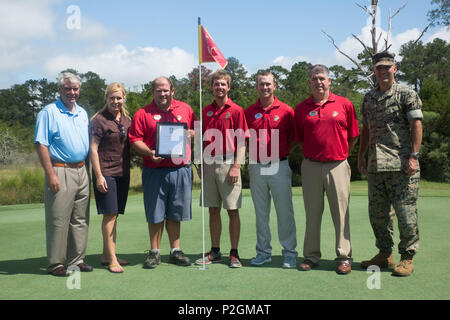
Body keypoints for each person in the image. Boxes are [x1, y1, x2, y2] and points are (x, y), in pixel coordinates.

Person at [358, 52, 423, 277]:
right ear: (374, 71)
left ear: (394, 69)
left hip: (402, 164)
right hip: (376, 165)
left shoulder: (407, 94)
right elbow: (365, 129)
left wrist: (414, 156)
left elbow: (416, 124)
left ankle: (407, 256)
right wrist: (361, 156)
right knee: (377, 214)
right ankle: (385, 254)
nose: (383, 71)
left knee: (406, 213)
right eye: (379, 68)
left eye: (387, 67)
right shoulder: (368, 98)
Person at [294, 64, 359, 275]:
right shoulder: (302, 108)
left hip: (338, 165)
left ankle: (344, 257)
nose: (318, 82)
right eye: (314, 79)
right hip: (311, 166)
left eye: (322, 78)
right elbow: (300, 138)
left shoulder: (344, 104)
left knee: (340, 214)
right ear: (309, 82)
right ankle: (311, 256)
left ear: (329, 81)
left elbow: (354, 134)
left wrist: (342, 153)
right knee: (312, 214)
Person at [129, 76, 197, 269]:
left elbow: (196, 130)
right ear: (153, 92)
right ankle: (154, 252)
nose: (162, 93)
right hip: (154, 170)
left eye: (165, 90)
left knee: (176, 212)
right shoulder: (143, 113)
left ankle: (175, 250)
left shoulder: (185, 109)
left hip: (179, 169)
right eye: (158, 90)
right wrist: (149, 152)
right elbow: (135, 140)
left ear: (172, 91)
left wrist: (188, 133)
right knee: (155, 213)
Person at [34, 72, 92, 277]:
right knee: (58, 218)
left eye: (75, 88)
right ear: (60, 90)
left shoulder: (83, 113)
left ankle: (77, 260)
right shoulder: (49, 112)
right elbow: (41, 144)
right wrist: (51, 175)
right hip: (60, 169)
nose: (72, 92)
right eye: (68, 88)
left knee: (80, 218)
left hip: (82, 170)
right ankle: (56, 263)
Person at [195, 70, 248, 268]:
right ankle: (215, 251)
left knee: (232, 210)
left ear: (229, 87)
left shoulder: (236, 110)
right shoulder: (205, 110)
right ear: (211, 87)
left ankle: (234, 253)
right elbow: (200, 140)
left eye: (223, 84)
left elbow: (242, 141)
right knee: (213, 210)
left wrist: (236, 166)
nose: (219, 87)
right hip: (209, 164)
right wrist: (199, 163)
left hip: (229, 164)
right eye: (216, 84)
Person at [245, 72, 298, 268]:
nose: (264, 87)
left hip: (279, 164)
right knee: (261, 213)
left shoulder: (286, 110)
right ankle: (263, 252)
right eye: (261, 84)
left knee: (284, 212)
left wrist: (280, 153)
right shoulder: (249, 111)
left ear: (274, 86)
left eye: (268, 84)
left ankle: (290, 252)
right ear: (256, 87)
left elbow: (293, 139)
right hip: (256, 165)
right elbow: (245, 139)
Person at [89, 82, 131, 273]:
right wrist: (98, 176)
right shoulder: (98, 120)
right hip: (106, 173)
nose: (116, 101)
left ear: (124, 99)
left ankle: (107, 254)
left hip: (123, 173)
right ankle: (113, 259)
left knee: (115, 215)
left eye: (119, 98)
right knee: (110, 215)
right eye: (112, 98)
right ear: (106, 98)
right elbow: (93, 149)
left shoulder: (127, 119)